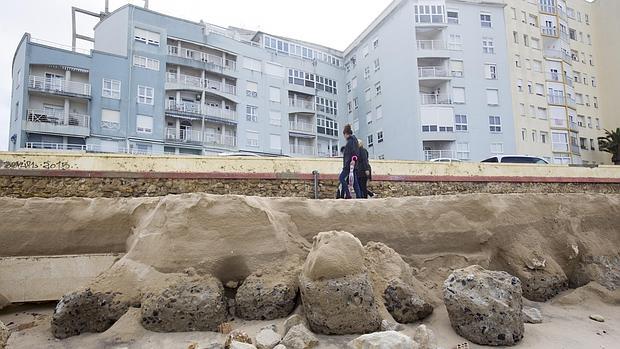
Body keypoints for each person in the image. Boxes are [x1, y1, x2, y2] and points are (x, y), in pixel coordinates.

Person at [339, 124, 361, 199]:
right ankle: (359, 197)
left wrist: (353, 160)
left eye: (344, 135)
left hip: (349, 165)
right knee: (355, 183)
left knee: (341, 178)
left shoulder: (350, 142)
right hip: (351, 164)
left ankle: (348, 194)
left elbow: (354, 152)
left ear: (346, 134)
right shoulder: (354, 141)